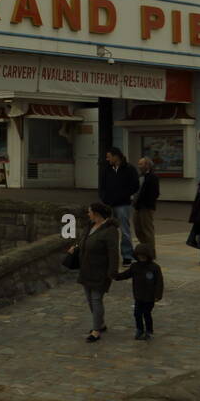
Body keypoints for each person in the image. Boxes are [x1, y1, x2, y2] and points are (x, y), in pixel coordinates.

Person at [66, 202, 120, 343]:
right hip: (86, 269)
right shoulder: (90, 226)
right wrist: (76, 248)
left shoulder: (110, 230)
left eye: (89, 211)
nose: (87, 214)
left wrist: (112, 272)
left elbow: (113, 253)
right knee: (90, 300)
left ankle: (96, 330)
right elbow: (83, 241)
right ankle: (100, 324)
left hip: (100, 271)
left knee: (96, 300)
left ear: (96, 213)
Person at [112, 243, 163, 340]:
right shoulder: (135, 267)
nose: (142, 258)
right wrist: (116, 276)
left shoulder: (155, 268)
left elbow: (159, 283)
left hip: (149, 297)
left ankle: (149, 331)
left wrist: (158, 295)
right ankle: (139, 329)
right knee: (137, 314)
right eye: (140, 256)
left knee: (147, 314)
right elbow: (126, 274)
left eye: (143, 256)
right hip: (138, 296)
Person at [98, 147, 138, 265]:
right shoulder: (107, 169)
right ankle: (110, 255)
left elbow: (134, 186)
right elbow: (102, 186)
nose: (107, 159)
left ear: (116, 156)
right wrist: (104, 199)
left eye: (109, 156)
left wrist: (122, 195)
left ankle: (127, 256)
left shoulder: (129, 169)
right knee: (108, 231)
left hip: (123, 205)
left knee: (125, 231)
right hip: (109, 205)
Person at [133, 157, 159, 256]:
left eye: (141, 164)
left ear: (147, 165)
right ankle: (144, 249)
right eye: (139, 164)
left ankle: (151, 252)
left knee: (147, 230)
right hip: (137, 206)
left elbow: (155, 193)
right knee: (138, 229)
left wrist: (146, 203)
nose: (139, 166)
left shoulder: (152, 177)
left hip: (146, 207)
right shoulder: (140, 176)